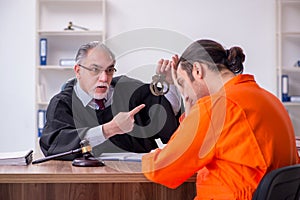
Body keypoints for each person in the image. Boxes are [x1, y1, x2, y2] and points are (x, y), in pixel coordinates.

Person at [142, 39, 299, 199]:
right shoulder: (269, 99)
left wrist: (145, 159)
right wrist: (189, 103)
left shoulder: (216, 107)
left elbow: (160, 169)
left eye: (182, 83)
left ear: (197, 70)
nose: (185, 92)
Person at [39, 41, 181, 160]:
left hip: (135, 180)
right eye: (95, 70)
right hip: (83, 182)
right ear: (78, 71)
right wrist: (109, 129)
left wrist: (171, 83)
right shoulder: (62, 104)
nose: (104, 78)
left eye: (110, 70)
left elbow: (165, 121)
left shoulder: (130, 90)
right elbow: (54, 146)